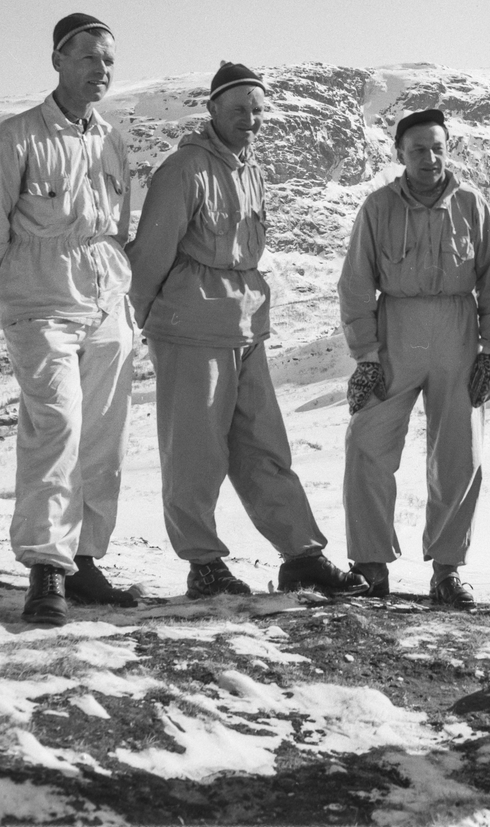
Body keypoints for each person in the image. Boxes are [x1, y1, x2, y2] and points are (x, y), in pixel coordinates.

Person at [126, 62, 367, 600]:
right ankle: (203, 563)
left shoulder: (250, 170)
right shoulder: (184, 169)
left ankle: (301, 554)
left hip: (246, 329)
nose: (250, 120)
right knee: (195, 453)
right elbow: (150, 256)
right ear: (211, 109)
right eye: (239, 110)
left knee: (264, 447)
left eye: (258, 110)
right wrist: (141, 322)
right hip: (192, 331)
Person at [0, 13, 137, 626]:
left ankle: (84, 561)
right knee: (56, 426)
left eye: (108, 60)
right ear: (58, 61)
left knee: (103, 435)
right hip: (41, 304)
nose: (101, 69)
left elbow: (117, 226)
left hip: (106, 302)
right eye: (88, 57)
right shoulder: (15, 139)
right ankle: (46, 569)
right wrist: (15, 286)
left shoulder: (111, 140)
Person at [339, 108, 490, 608]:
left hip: (458, 333)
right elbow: (354, 285)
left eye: (438, 148)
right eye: (418, 149)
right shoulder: (377, 208)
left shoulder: (472, 206)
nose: (430, 158)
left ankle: (447, 570)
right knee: (367, 443)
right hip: (397, 332)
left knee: (459, 453)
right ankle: (370, 566)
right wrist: (366, 356)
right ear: (399, 155)